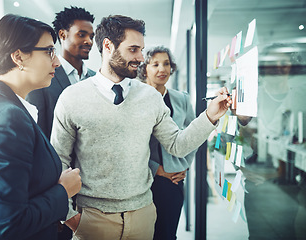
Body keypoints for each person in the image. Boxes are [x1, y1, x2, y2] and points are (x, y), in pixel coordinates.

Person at [51, 15, 232, 240]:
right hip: (92, 219)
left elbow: (177, 145)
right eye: (133, 49)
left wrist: (210, 116)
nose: (140, 58)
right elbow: (58, 161)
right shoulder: (72, 97)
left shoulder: (149, 97)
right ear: (108, 46)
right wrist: (70, 217)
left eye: (141, 50)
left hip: (143, 216)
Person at [0, 14, 81, 240]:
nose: (57, 61)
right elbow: (9, 224)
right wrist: (63, 191)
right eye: (49, 51)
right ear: (19, 57)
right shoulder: (8, 118)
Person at [137, 46, 195, 240]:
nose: (162, 69)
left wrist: (184, 166)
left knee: (168, 234)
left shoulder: (182, 99)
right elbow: (131, 143)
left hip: (173, 180)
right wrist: (157, 169)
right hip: (143, 180)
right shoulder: (134, 99)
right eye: (155, 64)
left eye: (166, 64)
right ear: (145, 69)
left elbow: (192, 136)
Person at [26, 6, 95, 140]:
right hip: (56, 158)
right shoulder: (42, 79)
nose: (89, 41)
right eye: (81, 35)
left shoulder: (95, 78)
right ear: (62, 35)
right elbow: (38, 132)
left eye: (91, 36)